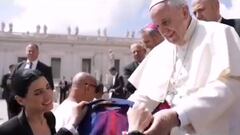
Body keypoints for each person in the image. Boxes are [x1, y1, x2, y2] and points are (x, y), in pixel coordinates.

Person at [127, 0, 240, 135]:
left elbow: (229, 86)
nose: (163, 31)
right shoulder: (160, 51)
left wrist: (178, 115)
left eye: (166, 22)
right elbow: (144, 95)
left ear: (184, 12)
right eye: (158, 26)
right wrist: (121, 108)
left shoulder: (220, 33)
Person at [0, 69, 88, 135]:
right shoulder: (8, 131)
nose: (48, 95)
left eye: (48, 87)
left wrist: (74, 121)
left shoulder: (50, 118)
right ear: (20, 100)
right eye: (38, 92)